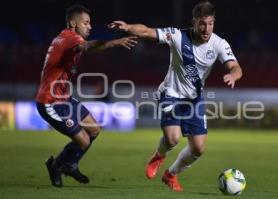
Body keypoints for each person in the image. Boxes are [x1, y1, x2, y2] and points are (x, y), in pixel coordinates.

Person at [108, 1, 242, 192]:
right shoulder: (178, 36)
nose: (206, 29)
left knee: (198, 149)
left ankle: (171, 174)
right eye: (202, 23)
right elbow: (147, 31)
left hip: (194, 98)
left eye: (210, 23)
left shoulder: (219, 44)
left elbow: (236, 67)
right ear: (194, 22)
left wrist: (233, 75)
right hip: (170, 93)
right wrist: (128, 27)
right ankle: (159, 155)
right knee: (173, 139)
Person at [35, 5, 137, 187]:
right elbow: (88, 47)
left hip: (64, 99)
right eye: (86, 23)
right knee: (83, 140)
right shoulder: (69, 38)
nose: (90, 26)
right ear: (73, 23)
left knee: (95, 130)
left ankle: (70, 164)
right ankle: (57, 165)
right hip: (50, 102)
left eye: (90, 23)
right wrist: (115, 42)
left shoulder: (67, 39)